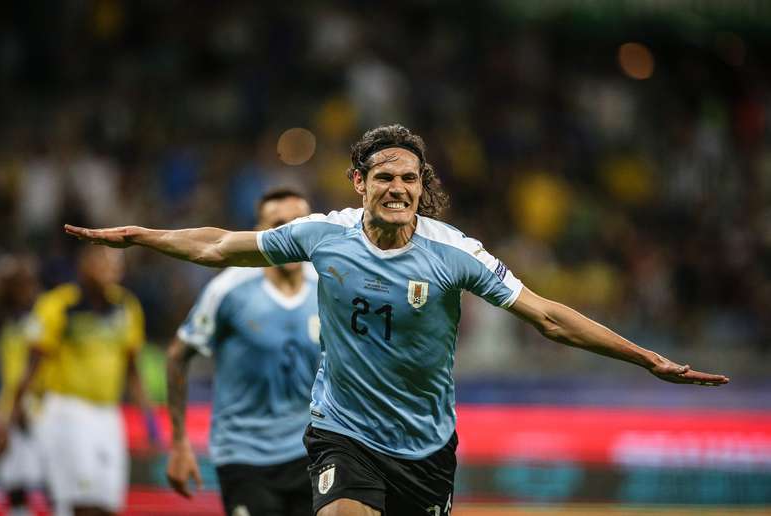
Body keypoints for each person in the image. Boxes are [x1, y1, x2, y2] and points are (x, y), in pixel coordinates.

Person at [66, 124, 729, 516]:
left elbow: (549, 318)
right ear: (359, 182)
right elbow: (216, 244)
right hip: (342, 435)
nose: (398, 189)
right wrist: (140, 235)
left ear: (422, 186)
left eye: (409, 179)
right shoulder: (323, 236)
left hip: (426, 450)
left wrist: (647, 360)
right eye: (385, 176)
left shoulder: (454, 253)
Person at [165, 188, 321, 516]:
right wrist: (179, 443)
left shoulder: (328, 285)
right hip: (244, 455)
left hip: (312, 452)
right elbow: (178, 355)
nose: (290, 234)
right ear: (259, 234)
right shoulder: (229, 289)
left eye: (299, 223)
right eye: (279, 225)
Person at [10, 246, 157, 516]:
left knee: (109, 503)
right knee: (81, 503)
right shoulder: (58, 305)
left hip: (109, 413)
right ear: (85, 264)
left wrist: (149, 417)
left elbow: (132, 368)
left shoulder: (126, 306)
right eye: (103, 263)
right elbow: (32, 364)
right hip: (68, 410)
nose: (111, 270)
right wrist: (14, 408)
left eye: (117, 264)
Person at [0, 255, 44, 516]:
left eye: (30, 283)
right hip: (8, 405)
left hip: (39, 405)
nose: (28, 290)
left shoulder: (42, 319)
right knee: (15, 484)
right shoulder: (4, 323)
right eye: (21, 284)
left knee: (48, 481)